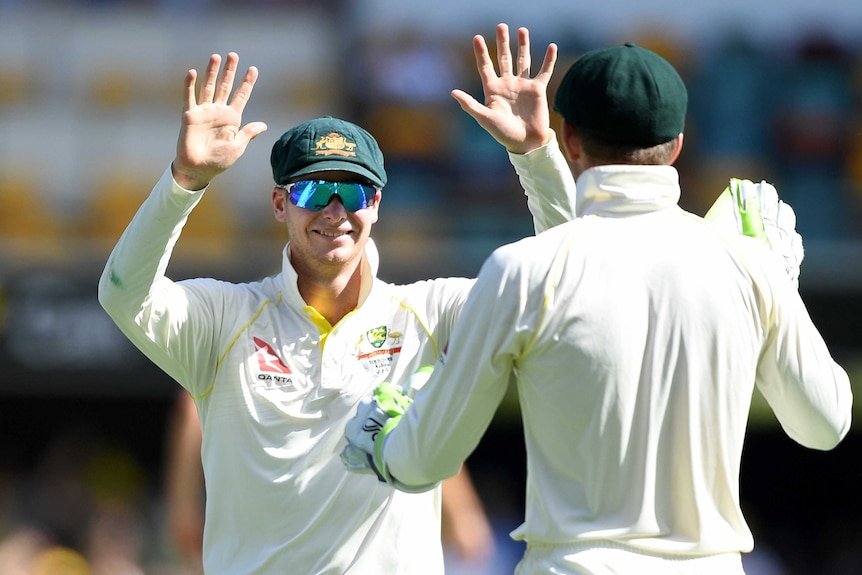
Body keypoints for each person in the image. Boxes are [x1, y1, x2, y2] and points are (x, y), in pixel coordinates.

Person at [341, 43, 854, 574]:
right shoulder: (747, 267)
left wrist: (383, 442)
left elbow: (425, 459)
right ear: (677, 145)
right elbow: (824, 424)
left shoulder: (521, 271)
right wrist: (780, 289)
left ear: (572, 139)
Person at [98, 23, 577, 575]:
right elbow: (123, 293)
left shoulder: (431, 312)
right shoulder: (225, 318)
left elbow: (564, 287)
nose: (333, 210)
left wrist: (537, 155)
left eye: (351, 191)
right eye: (311, 190)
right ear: (280, 204)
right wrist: (184, 181)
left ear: (375, 204)